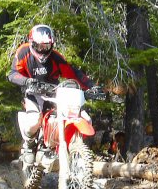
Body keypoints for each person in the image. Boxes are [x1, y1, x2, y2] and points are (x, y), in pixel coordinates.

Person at [7, 24, 99, 164]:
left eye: (47, 46)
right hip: (33, 93)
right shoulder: (23, 52)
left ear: (52, 45)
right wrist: (27, 81)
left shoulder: (56, 57)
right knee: (34, 121)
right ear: (32, 43)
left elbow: (74, 73)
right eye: (40, 46)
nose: (43, 50)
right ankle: (29, 145)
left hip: (55, 93)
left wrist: (92, 87)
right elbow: (13, 74)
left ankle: (71, 148)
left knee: (83, 117)